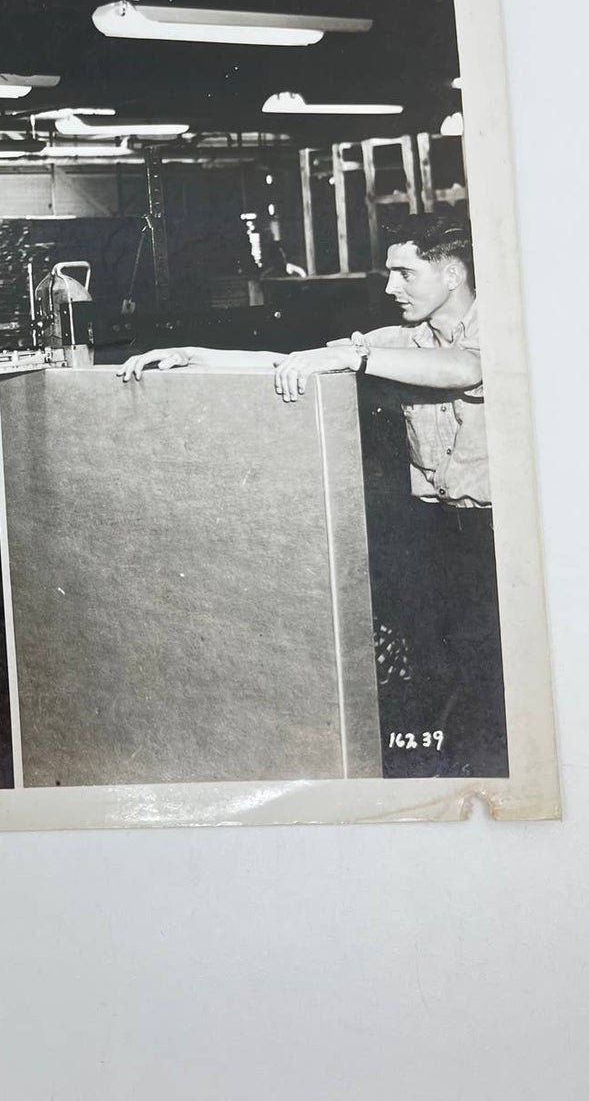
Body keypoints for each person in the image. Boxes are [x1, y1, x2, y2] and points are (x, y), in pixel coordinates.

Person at [117, 214, 506, 774]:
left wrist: (356, 357)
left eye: (404, 273)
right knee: (445, 670)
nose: (390, 288)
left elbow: (467, 368)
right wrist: (192, 355)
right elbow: (299, 359)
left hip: (501, 534)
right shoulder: (404, 340)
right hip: (442, 533)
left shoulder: (499, 325)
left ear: (450, 273)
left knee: (490, 675)